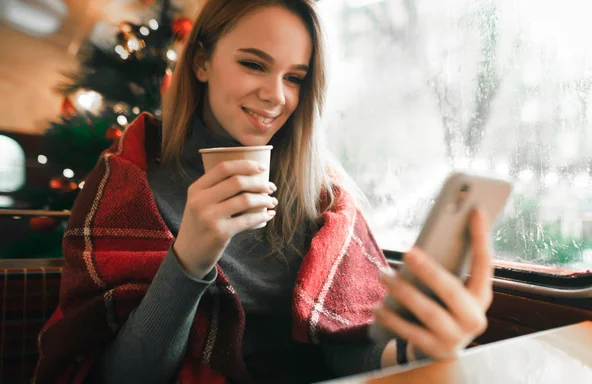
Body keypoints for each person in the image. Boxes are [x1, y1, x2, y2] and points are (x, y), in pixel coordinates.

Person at [34, 0, 493, 383]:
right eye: (254, 64)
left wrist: (413, 347)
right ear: (201, 62)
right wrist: (189, 260)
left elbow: (337, 352)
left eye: (294, 77)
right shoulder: (129, 179)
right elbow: (118, 376)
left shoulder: (322, 197)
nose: (276, 96)